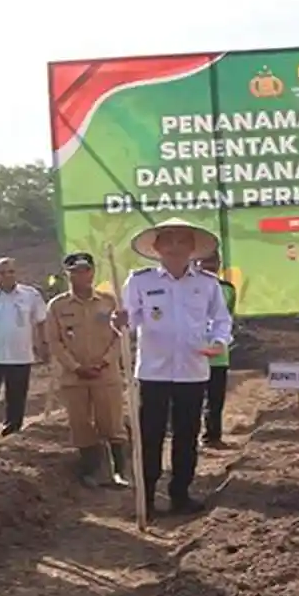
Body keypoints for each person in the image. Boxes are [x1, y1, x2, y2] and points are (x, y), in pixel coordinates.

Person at [113, 217, 232, 516]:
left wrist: (219, 342)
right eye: (169, 240)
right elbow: (130, 320)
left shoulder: (207, 284)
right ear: (157, 247)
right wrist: (120, 323)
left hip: (192, 371)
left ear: (193, 248)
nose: (176, 247)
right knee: (150, 436)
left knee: (187, 435)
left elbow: (221, 320)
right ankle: (147, 498)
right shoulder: (140, 281)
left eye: (183, 241)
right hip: (153, 372)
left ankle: (180, 493)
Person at [45, 252, 129, 488]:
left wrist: (104, 362)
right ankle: (92, 471)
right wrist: (76, 367)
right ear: (67, 274)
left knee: (111, 423)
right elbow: (54, 342)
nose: (81, 275)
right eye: (74, 271)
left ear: (92, 272)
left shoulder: (109, 302)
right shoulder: (57, 306)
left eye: (85, 270)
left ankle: (119, 471)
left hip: (106, 375)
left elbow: (120, 337)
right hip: (74, 378)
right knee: (80, 424)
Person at [0, 257, 47, 438]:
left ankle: (12, 432)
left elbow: (41, 322)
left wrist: (42, 346)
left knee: (16, 398)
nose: (8, 276)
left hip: (21, 354)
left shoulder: (31, 295)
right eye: (2, 273)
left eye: (11, 272)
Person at [195, 251, 238, 448]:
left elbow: (226, 319)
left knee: (215, 398)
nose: (209, 266)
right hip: (192, 353)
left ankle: (212, 436)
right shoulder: (187, 288)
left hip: (218, 354)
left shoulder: (227, 290)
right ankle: (189, 437)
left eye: (213, 262)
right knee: (191, 398)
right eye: (204, 262)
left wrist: (219, 342)